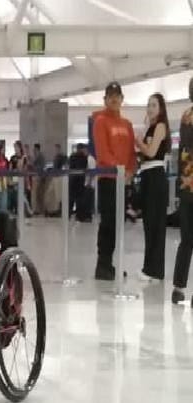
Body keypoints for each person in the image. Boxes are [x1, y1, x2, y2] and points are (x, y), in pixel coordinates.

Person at [92, 81, 137, 281]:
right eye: (110, 96)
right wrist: (119, 169)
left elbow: (131, 153)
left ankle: (110, 263)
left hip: (123, 180)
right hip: (108, 179)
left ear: (122, 99)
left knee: (118, 223)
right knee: (108, 223)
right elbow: (103, 152)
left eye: (117, 96)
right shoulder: (100, 121)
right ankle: (102, 265)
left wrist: (130, 171)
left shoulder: (127, 124)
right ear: (105, 99)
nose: (114, 99)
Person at [137, 93, 171, 282]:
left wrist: (138, 142)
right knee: (149, 224)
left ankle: (154, 270)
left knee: (155, 225)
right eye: (148, 105)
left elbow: (150, 151)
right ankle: (149, 268)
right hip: (147, 176)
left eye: (154, 105)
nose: (150, 108)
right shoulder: (150, 127)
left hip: (155, 176)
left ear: (161, 108)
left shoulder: (160, 126)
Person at [171, 78, 193, 305]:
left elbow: (183, 154)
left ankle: (178, 288)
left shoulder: (186, 116)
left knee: (186, 239)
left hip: (186, 185)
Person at [69, 143, 93, 221]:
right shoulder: (84, 157)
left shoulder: (72, 157)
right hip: (80, 180)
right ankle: (79, 216)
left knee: (71, 198)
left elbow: (70, 167)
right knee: (79, 199)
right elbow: (85, 168)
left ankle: (68, 214)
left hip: (72, 179)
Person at [31, 143, 47, 216]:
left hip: (40, 178)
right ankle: (37, 209)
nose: (33, 151)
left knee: (40, 195)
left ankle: (41, 210)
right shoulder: (36, 157)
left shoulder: (41, 157)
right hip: (36, 177)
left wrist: (33, 167)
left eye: (34, 149)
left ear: (37, 149)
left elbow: (41, 167)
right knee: (36, 195)